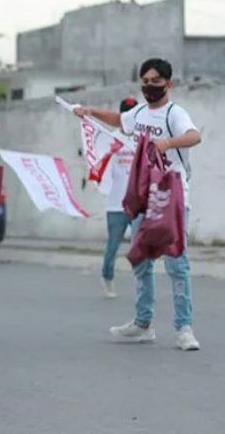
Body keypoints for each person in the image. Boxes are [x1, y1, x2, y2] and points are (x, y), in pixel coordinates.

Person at [74, 58, 202, 351]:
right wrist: (90, 112)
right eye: (145, 80)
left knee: (176, 263)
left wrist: (167, 144)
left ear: (169, 84)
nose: (149, 86)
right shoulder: (140, 113)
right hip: (144, 197)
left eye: (156, 81)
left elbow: (195, 136)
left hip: (172, 196)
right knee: (142, 260)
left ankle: (184, 328)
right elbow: (120, 121)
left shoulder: (174, 113)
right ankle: (143, 324)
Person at [99, 97, 140, 299]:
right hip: (116, 205)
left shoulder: (140, 139)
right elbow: (99, 162)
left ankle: (142, 284)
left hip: (137, 204)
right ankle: (107, 277)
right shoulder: (110, 138)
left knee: (141, 247)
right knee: (113, 247)